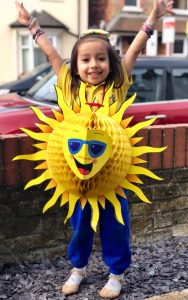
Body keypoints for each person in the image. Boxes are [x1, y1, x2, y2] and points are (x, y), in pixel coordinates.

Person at [15, 1, 173, 298]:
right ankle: (78, 268)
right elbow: (50, 53)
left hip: (112, 177)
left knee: (116, 225)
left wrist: (153, 17)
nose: (93, 65)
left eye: (101, 58)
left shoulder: (116, 88)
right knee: (80, 227)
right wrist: (32, 26)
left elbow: (135, 50)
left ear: (111, 63)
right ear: (75, 66)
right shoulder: (70, 89)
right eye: (85, 60)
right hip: (76, 178)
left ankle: (116, 274)